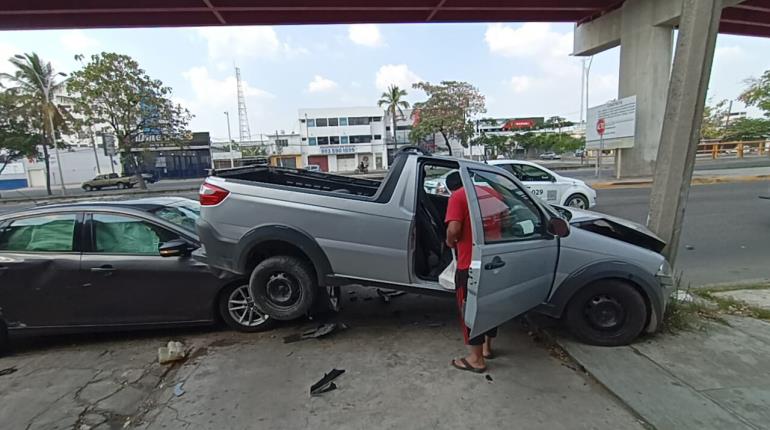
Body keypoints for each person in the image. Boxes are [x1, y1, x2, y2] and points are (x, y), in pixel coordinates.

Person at [444, 171, 498, 373]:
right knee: (490, 307)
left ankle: (476, 359)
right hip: (495, 261)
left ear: (452, 187)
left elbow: (454, 229)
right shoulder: (489, 193)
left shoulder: (458, 196)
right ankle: (487, 348)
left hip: (470, 264)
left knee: (470, 310)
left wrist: (450, 242)